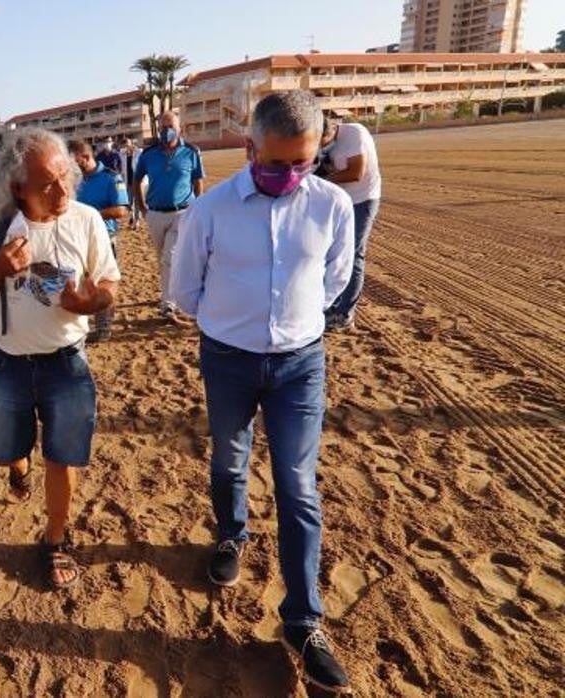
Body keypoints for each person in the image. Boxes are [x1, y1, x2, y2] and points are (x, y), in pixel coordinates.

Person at [170, 90, 354, 693]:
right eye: (276, 164)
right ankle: (231, 534)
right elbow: (185, 290)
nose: (290, 175)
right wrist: (234, 323)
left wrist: (289, 326)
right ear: (250, 149)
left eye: (303, 162)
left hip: (301, 362)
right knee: (229, 457)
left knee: (298, 484)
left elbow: (334, 280)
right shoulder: (212, 209)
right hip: (226, 359)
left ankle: (302, 621)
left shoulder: (331, 206)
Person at [0, 127, 120, 590]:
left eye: (65, 175)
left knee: (63, 456)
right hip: (7, 364)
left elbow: (109, 283)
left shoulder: (87, 219)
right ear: (17, 187)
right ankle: (16, 467)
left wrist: (90, 303)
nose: (63, 188)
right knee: (7, 447)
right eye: (48, 182)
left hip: (66, 362)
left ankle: (55, 539)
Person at [132, 111, 206, 322]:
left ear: (179, 128)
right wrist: (142, 208)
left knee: (170, 258)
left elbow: (198, 181)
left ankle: (168, 303)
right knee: (163, 258)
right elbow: (136, 181)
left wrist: (197, 207)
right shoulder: (149, 154)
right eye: (163, 127)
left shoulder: (191, 152)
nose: (167, 131)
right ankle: (170, 291)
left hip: (182, 212)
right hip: (155, 214)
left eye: (170, 126)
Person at [317, 115, 382, 332]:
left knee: (353, 254)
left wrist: (323, 179)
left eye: (324, 139)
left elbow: (356, 172)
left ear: (334, 128)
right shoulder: (319, 143)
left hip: (363, 199)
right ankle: (332, 305)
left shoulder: (355, 134)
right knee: (331, 253)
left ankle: (345, 314)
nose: (321, 144)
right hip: (340, 200)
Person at [68, 139, 129, 341]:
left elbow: (121, 210)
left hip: (103, 239)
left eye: (73, 161)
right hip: (75, 240)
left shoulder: (111, 178)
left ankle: (103, 328)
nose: (70, 166)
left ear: (85, 158)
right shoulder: (73, 180)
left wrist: (90, 216)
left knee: (104, 282)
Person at [121, 137, 142, 230]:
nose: (127, 147)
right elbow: (122, 169)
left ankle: (136, 221)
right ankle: (132, 218)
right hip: (128, 181)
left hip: (137, 181)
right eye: (125, 146)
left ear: (131, 144)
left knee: (137, 202)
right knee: (129, 202)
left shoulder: (139, 152)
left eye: (128, 145)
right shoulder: (122, 154)